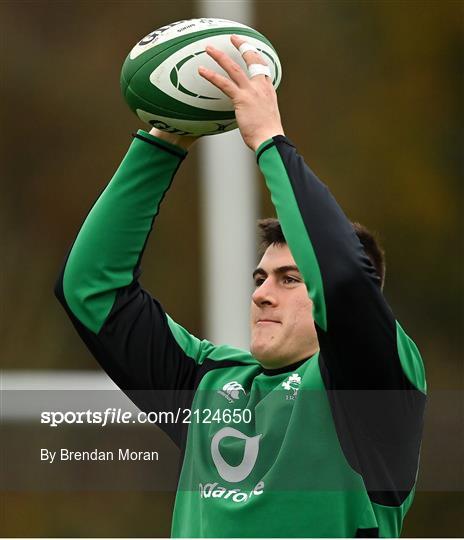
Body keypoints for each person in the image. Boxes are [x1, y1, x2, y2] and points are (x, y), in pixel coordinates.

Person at [55, 35, 426, 537]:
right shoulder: (204, 384)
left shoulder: (370, 384)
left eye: (290, 278)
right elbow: (92, 290)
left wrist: (270, 140)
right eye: (259, 278)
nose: (261, 294)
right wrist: (165, 139)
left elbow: (341, 278)